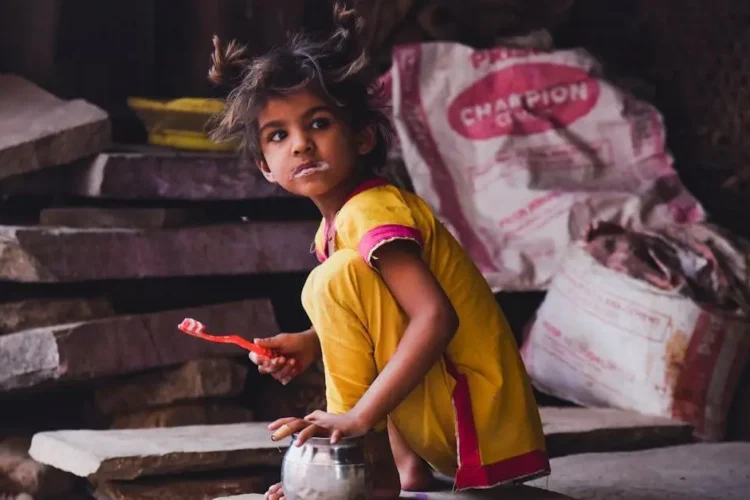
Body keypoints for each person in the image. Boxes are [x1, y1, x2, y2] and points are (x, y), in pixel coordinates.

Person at [208, 5, 549, 499]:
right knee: (333, 286)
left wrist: (358, 419)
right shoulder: (337, 225)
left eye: (319, 123)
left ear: (363, 136)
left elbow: (435, 318)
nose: (301, 145)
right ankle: (394, 471)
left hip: (472, 413)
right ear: (265, 165)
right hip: (458, 414)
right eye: (279, 135)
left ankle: (361, 468)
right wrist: (312, 340)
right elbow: (380, 314)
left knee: (328, 283)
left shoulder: (372, 209)